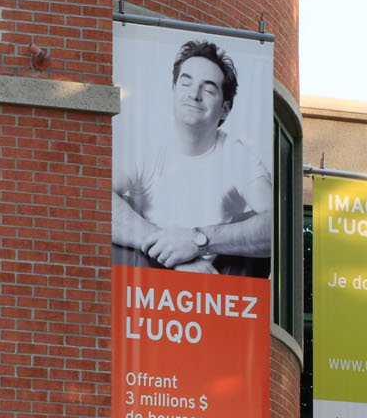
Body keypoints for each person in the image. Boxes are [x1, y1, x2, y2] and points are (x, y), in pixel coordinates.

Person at [113, 37, 271, 272]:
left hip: (213, 284)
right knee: (123, 210)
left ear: (225, 110)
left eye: (208, 89)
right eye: (186, 84)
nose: (194, 94)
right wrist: (175, 252)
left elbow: (276, 226)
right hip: (147, 283)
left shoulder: (237, 156)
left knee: (252, 227)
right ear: (174, 91)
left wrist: (198, 242)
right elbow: (96, 197)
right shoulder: (146, 146)